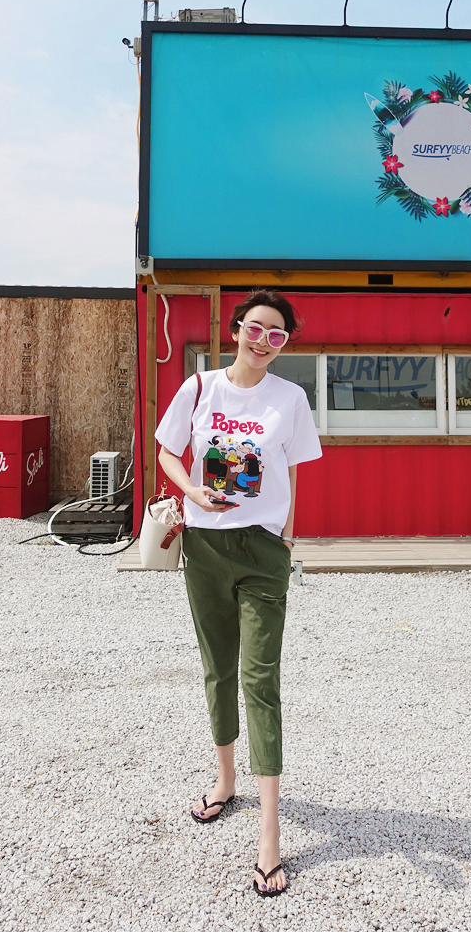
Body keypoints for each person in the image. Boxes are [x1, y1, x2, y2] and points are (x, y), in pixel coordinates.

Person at [156, 289, 322, 896]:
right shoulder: (199, 387)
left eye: (277, 334)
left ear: (285, 343)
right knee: (217, 668)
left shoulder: (291, 398)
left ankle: (269, 832)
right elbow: (168, 452)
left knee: (260, 680)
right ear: (235, 330)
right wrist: (192, 492)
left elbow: (293, 470)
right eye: (255, 328)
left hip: (262, 551)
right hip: (205, 547)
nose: (264, 341)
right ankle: (226, 780)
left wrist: (287, 538)